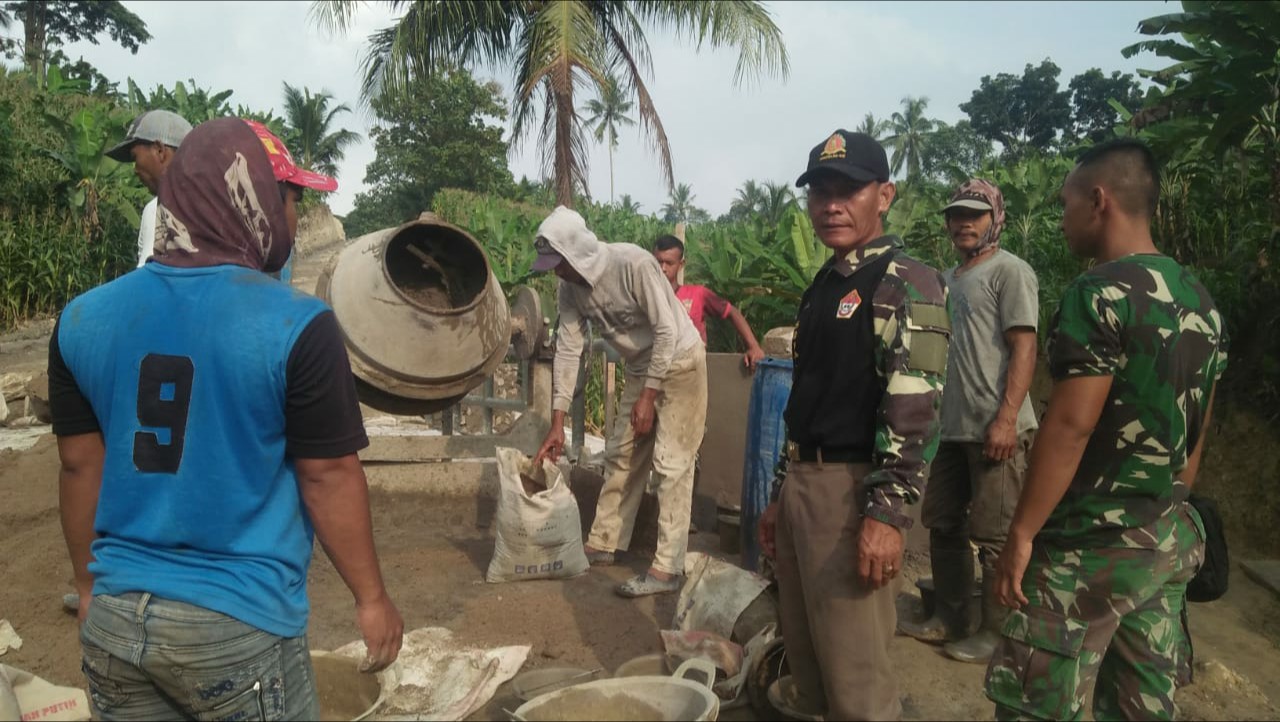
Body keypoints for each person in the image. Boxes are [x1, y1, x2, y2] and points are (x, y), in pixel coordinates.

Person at [52, 117, 403, 720]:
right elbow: (327, 476)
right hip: (236, 626)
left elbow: (80, 465)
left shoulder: (81, 320)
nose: (293, 216)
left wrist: (88, 588)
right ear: (254, 200)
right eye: (290, 198)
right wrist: (371, 599)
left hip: (115, 624)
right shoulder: (298, 325)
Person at [985, 139, 1225, 720]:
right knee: (1139, 705)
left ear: (1099, 201)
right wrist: (1161, 516)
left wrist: (1021, 534)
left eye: (1067, 203)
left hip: (1081, 549)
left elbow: (1070, 426)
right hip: (1160, 542)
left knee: (1035, 706)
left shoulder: (1097, 294)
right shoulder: (1201, 302)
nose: (1062, 220)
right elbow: (1194, 442)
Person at [758, 129, 951, 720]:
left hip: (852, 493)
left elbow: (915, 405)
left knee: (857, 680)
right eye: (820, 191)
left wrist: (888, 515)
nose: (831, 204)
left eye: (849, 190)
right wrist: (780, 495)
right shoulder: (823, 287)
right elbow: (807, 399)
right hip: (805, 488)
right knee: (810, 662)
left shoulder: (905, 281)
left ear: (884, 195)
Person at [531, 206, 708, 598]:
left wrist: (649, 395)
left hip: (679, 361)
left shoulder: (633, 263)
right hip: (640, 366)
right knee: (622, 452)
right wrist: (558, 420)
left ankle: (668, 567)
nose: (557, 272)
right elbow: (568, 348)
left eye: (559, 263)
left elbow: (665, 330)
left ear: (577, 252)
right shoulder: (569, 288)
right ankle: (605, 540)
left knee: (672, 463)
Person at [898, 179, 1039, 664]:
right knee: (943, 522)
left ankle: (998, 632)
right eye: (956, 215)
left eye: (974, 215)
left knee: (996, 533)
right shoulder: (947, 279)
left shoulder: (1010, 272)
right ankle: (951, 617)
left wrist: (1005, 418)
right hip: (951, 427)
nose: (963, 222)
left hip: (995, 427)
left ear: (994, 218)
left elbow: (1025, 345)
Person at [651, 234, 765, 369]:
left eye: (669, 263)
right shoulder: (644, 296)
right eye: (658, 262)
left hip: (691, 370)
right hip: (654, 369)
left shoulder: (697, 294)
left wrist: (754, 347)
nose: (663, 268)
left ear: (681, 264)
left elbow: (732, 312)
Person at [105, 109, 193, 267]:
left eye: (134, 157)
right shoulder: (218, 203)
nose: (135, 169)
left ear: (160, 150)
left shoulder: (159, 208)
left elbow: (149, 278)